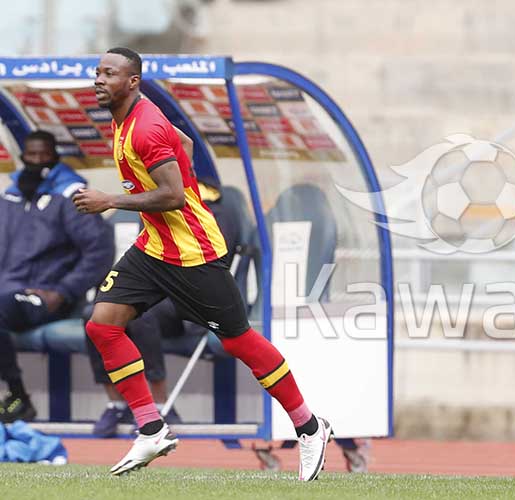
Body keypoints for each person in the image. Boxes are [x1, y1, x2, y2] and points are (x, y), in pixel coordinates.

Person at [73, 47, 330, 479]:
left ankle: (309, 427)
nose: (98, 79)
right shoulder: (126, 117)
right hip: (154, 247)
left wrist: (110, 200)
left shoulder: (145, 127)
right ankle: (151, 429)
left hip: (193, 252)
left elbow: (173, 195)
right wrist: (180, 178)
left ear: (132, 81)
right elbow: (185, 144)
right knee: (102, 325)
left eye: (109, 73)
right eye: (97, 72)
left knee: (238, 341)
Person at [87, 177, 240, 437]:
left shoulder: (214, 207)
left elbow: (216, 260)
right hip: (156, 290)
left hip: (189, 298)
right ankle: (116, 404)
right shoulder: (150, 203)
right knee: (95, 316)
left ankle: (159, 404)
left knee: (140, 316)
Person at [0, 131, 113, 423]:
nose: (37, 160)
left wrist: (63, 292)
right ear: (23, 156)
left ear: (55, 156)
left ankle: (18, 397)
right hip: (8, 292)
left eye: (44, 155)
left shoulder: (71, 196)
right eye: (31, 155)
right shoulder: (11, 196)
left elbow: (99, 252)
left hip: (46, 296)